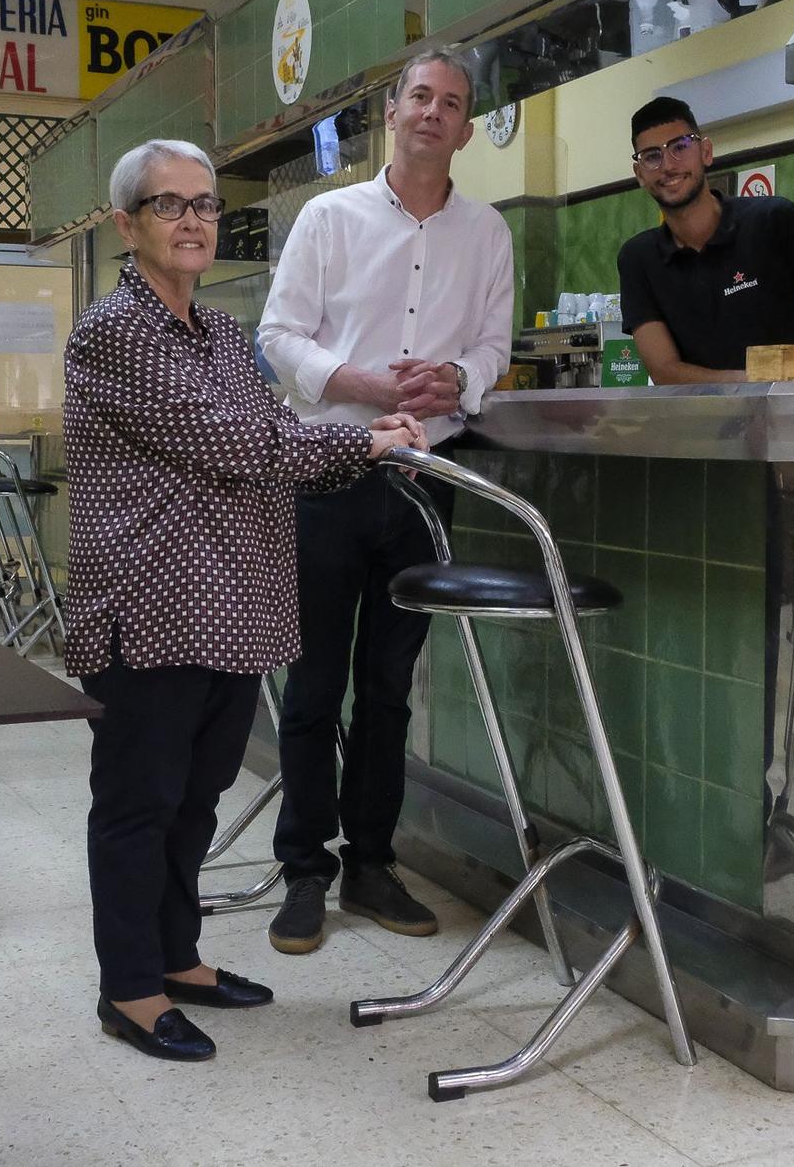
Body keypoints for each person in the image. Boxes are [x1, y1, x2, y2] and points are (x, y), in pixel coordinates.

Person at [64, 138, 425, 1061]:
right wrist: (366, 445)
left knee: (198, 797)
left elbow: (271, 428)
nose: (193, 221)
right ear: (126, 224)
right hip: (149, 607)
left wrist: (352, 432)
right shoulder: (112, 332)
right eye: (169, 205)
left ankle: (177, 957)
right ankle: (130, 988)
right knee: (139, 803)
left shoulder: (224, 334)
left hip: (226, 605)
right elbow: (237, 445)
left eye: (205, 206)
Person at [257, 49, 514, 955]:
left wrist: (459, 380)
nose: (433, 114)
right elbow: (278, 335)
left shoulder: (487, 232)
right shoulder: (330, 218)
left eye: (451, 103)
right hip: (327, 473)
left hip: (422, 486)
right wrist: (359, 380)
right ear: (393, 111)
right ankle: (304, 872)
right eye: (419, 96)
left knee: (390, 689)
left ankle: (371, 862)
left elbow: (494, 344)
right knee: (315, 686)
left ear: (466, 127)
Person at [617, 95, 794, 382]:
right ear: (639, 174)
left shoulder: (776, 220)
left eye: (681, 146)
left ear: (706, 152)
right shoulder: (638, 259)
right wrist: (755, 387)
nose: (668, 165)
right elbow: (665, 371)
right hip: (708, 424)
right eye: (652, 156)